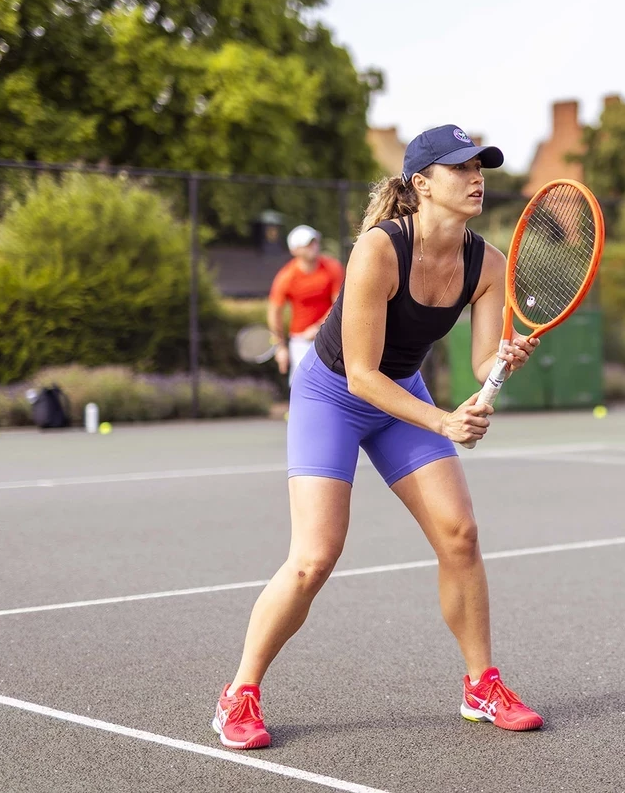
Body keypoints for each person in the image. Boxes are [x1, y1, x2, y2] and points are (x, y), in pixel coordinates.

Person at [213, 125, 543, 749]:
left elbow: (479, 365)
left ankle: (481, 685)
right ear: (421, 185)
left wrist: (504, 359)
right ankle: (240, 695)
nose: (477, 178)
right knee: (315, 557)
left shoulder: (488, 263)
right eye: (460, 169)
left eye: (481, 168)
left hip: (400, 393)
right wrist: (445, 421)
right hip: (333, 394)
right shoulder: (378, 250)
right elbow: (362, 375)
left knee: (460, 534)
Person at [268, 225, 344, 381]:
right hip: (300, 341)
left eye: (314, 242)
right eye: (307, 244)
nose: (313, 246)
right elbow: (274, 312)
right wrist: (280, 347)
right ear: (294, 250)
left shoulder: (333, 267)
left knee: (332, 384)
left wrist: (318, 327)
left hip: (331, 337)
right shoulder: (286, 277)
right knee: (301, 386)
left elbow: (340, 303)